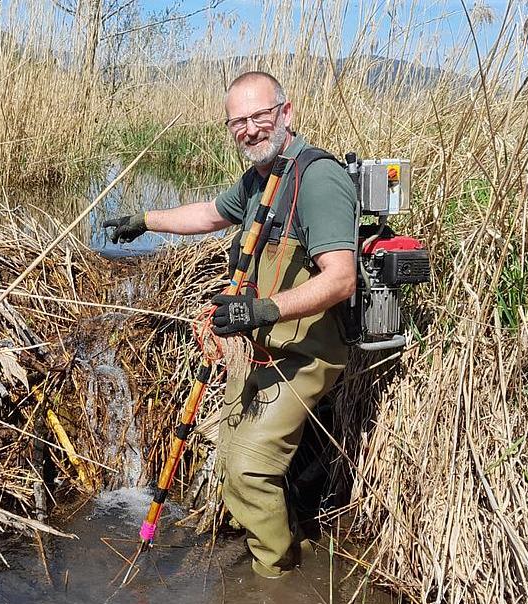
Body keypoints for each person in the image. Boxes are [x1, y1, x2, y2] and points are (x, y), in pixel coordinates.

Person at [102, 71, 357, 577]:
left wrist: (263, 310)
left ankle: (275, 579)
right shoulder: (259, 178)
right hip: (261, 348)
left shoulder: (319, 179)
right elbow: (208, 214)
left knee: (247, 469)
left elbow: (341, 279)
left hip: (306, 353)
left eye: (259, 116)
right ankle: (291, 542)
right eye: (237, 121)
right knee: (226, 456)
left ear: (286, 113)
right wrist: (144, 221)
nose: (249, 129)